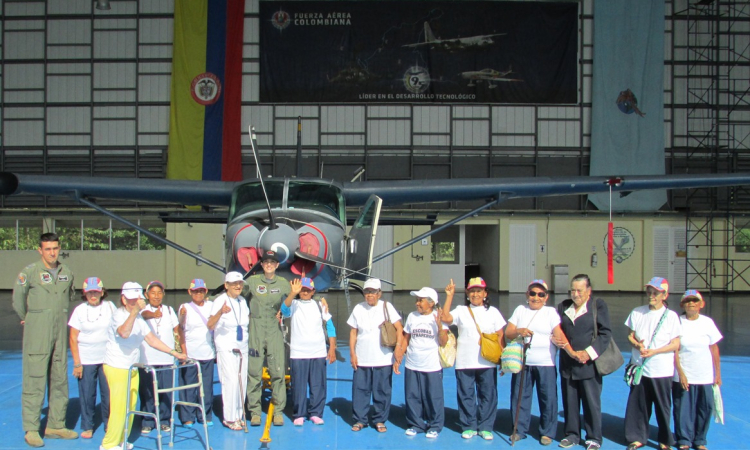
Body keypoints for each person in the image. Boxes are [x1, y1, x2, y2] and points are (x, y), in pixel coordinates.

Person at [100, 282, 186, 450]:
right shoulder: (119, 315)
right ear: (123, 299)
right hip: (117, 366)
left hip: (132, 367)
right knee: (118, 406)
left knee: (130, 405)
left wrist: (173, 352)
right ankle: (108, 444)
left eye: (137, 299)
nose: (135, 303)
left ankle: (120, 439)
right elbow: (124, 333)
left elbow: (151, 339)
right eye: (131, 300)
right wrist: (134, 312)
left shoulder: (138, 318)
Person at [12, 232, 78, 448]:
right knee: (35, 378)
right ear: (40, 250)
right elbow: (18, 301)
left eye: (55, 248)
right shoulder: (30, 273)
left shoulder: (66, 272)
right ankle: (31, 428)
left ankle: (55, 425)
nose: (52, 252)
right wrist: (30, 319)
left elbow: (69, 298)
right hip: (38, 332)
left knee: (59, 378)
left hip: (60, 330)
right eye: (47, 249)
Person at [440, 277, 506, 441]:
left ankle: (485, 426)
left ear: (485, 293)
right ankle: (469, 425)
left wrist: (503, 358)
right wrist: (449, 296)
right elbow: (445, 318)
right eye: (472, 291)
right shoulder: (462, 310)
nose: (475, 294)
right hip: (465, 361)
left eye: (479, 291)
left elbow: (500, 336)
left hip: (487, 362)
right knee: (466, 394)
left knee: (487, 395)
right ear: (468, 294)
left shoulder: (493, 312)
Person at [505, 279, 567, 446]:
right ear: (527, 295)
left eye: (541, 294)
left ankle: (547, 432)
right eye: (533, 293)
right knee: (520, 397)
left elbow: (558, 332)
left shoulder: (550, 312)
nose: (536, 297)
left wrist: (562, 342)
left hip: (546, 362)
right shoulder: (520, 310)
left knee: (548, 398)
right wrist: (519, 330)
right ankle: (519, 430)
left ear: (546, 297)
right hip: (524, 362)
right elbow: (508, 332)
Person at [554, 274, 613, 450]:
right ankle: (572, 435)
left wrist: (588, 354)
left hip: (589, 365)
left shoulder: (597, 305)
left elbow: (605, 333)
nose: (576, 294)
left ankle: (594, 437)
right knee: (570, 401)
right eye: (573, 290)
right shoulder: (563, 306)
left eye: (579, 290)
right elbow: (557, 330)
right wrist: (569, 351)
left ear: (589, 291)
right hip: (568, 364)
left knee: (591, 402)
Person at [624, 277, 682, 450]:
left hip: (661, 369)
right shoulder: (637, 312)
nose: (651, 295)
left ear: (665, 295)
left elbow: (675, 344)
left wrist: (654, 351)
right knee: (638, 405)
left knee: (662, 406)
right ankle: (636, 437)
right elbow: (630, 335)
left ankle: (664, 439)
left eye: (656, 292)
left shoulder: (671, 316)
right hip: (640, 368)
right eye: (650, 291)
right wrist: (637, 344)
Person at [347, 278, 404, 433]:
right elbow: (353, 332)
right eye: (367, 291)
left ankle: (379, 419)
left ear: (379, 293)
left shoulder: (387, 307)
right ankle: (360, 419)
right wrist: (352, 353)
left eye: (373, 292)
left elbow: (399, 328)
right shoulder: (358, 308)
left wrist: (398, 348)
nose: (369, 295)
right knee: (360, 390)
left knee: (382, 390)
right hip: (362, 356)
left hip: (383, 357)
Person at [281, 277, 337, 426]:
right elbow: (283, 310)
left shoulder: (320, 305)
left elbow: (330, 327)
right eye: (302, 290)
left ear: (313, 291)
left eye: (307, 290)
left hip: (318, 352)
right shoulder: (293, 303)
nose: (305, 292)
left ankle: (316, 413)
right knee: (298, 385)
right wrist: (293, 293)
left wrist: (332, 348)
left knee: (318, 385)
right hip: (298, 353)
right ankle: (299, 413)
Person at [394, 286, 449, 439]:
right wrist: (399, 355)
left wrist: (439, 326)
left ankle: (435, 425)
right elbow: (406, 337)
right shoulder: (412, 316)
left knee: (433, 396)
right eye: (417, 300)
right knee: (412, 395)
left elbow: (443, 342)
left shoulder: (438, 317)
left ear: (431, 303)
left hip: (431, 365)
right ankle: (416, 424)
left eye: (421, 300)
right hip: (412, 363)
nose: (417, 303)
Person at [673, 290, 722, 450]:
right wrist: (680, 373)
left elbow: (713, 348)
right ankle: (684, 440)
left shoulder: (707, 323)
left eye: (695, 301)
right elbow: (674, 350)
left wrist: (717, 374)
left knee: (705, 408)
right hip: (684, 375)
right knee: (683, 410)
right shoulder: (677, 322)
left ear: (701, 304)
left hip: (705, 375)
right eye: (688, 301)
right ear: (682, 305)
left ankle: (700, 440)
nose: (691, 304)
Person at [245, 250, 290, 426]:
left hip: (274, 330)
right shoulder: (252, 282)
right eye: (266, 262)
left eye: (272, 262)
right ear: (262, 265)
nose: (269, 265)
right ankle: (255, 411)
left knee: (278, 372)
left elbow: (294, 300)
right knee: (254, 372)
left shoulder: (284, 284)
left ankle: (278, 411)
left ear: (277, 265)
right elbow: (236, 294)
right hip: (255, 330)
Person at [68, 277, 116, 439]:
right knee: (87, 394)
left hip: (107, 359)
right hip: (86, 360)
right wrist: (77, 363)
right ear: (85, 294)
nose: (93, 295)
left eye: (96, 292)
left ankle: (109, 423)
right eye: (90, 292)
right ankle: (88, 426)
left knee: (108, 393)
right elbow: (73, 338)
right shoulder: (79, 310)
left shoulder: (110, 307)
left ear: (102, 292)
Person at [208, 271, 250, 431]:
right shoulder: (220, 301)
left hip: (242, 346)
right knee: (230, 381)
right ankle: (230, 417)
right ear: (226, 285)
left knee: (241, 381)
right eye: (234, 284)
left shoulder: (242, 301)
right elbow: (210, 325)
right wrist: (220, 312)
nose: (238, 286)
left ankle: (239, 415)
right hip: (226, 347)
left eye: (240, 283)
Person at [138, 280, 180, 434]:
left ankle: (164, 420)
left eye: (159, 293)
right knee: (147, 391)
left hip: (167, 359)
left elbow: (176, 330)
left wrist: (180, 349)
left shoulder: (169, 310)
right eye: (153, 293)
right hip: (148, 359)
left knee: (166, 391)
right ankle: (148, 420)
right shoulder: (143, 310)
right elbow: (145, 314)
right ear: (147, 295)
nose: (156, 296)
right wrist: (153, 315)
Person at [177, 279, 215, 428]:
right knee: (188, 386)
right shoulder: (184, 307)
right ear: (190, 292)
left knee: (206, 387)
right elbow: (180, 328)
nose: (198, 293)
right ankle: (188, 416)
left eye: (201, 291)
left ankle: (205, 414)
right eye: (195, 291)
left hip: (207, 353)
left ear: (205, 292)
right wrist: (183, 352)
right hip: (191, 353)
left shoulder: (211, 306)